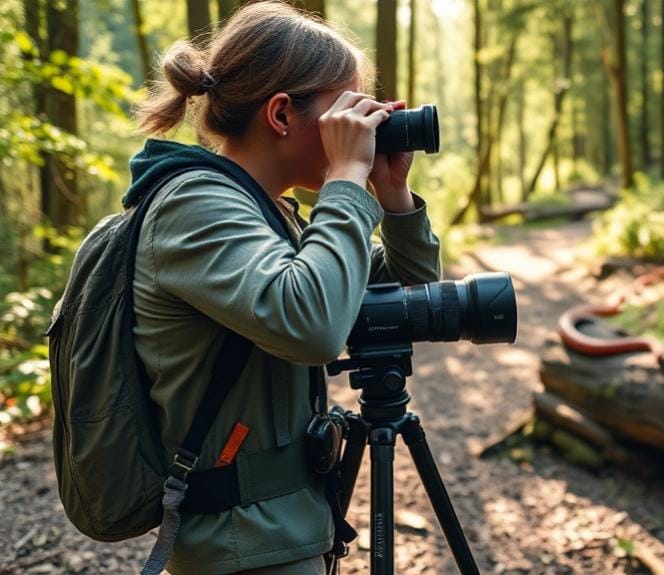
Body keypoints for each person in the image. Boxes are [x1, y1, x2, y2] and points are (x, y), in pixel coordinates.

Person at [128, 2, 441, 573]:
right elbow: (314, 327)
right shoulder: (194, 206)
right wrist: (345, 179)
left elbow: (413, 299)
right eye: (348, 108)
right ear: (281, 115)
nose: (363, 125)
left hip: (281, 527)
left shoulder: (270, 215)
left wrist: (390, 192)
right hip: (241, 544)